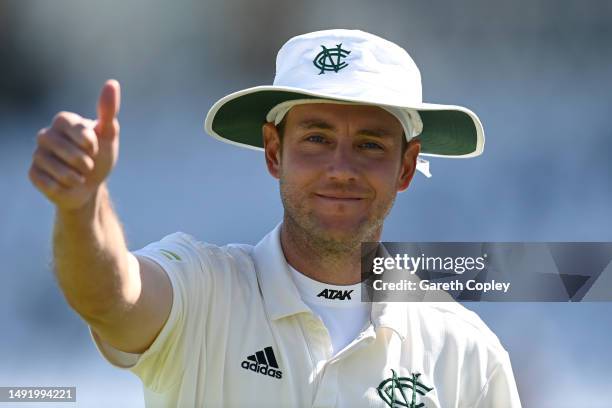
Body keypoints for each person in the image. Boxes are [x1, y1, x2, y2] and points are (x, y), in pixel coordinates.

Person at [28, 29, 521, 407]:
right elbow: (109, 298)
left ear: (407, 167)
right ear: (273, 152)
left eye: (370, 144)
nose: (341, 169)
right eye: (316, 138)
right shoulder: (204, 291)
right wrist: (81, 206)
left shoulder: (465, 350)